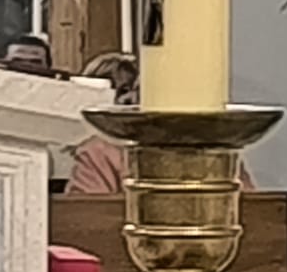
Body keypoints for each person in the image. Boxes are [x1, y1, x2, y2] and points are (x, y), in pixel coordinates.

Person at [66, 53, 256, 194]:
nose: (127, 99)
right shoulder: (100, 153)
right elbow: (87, 217)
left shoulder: (219, 153)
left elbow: (251, 212)